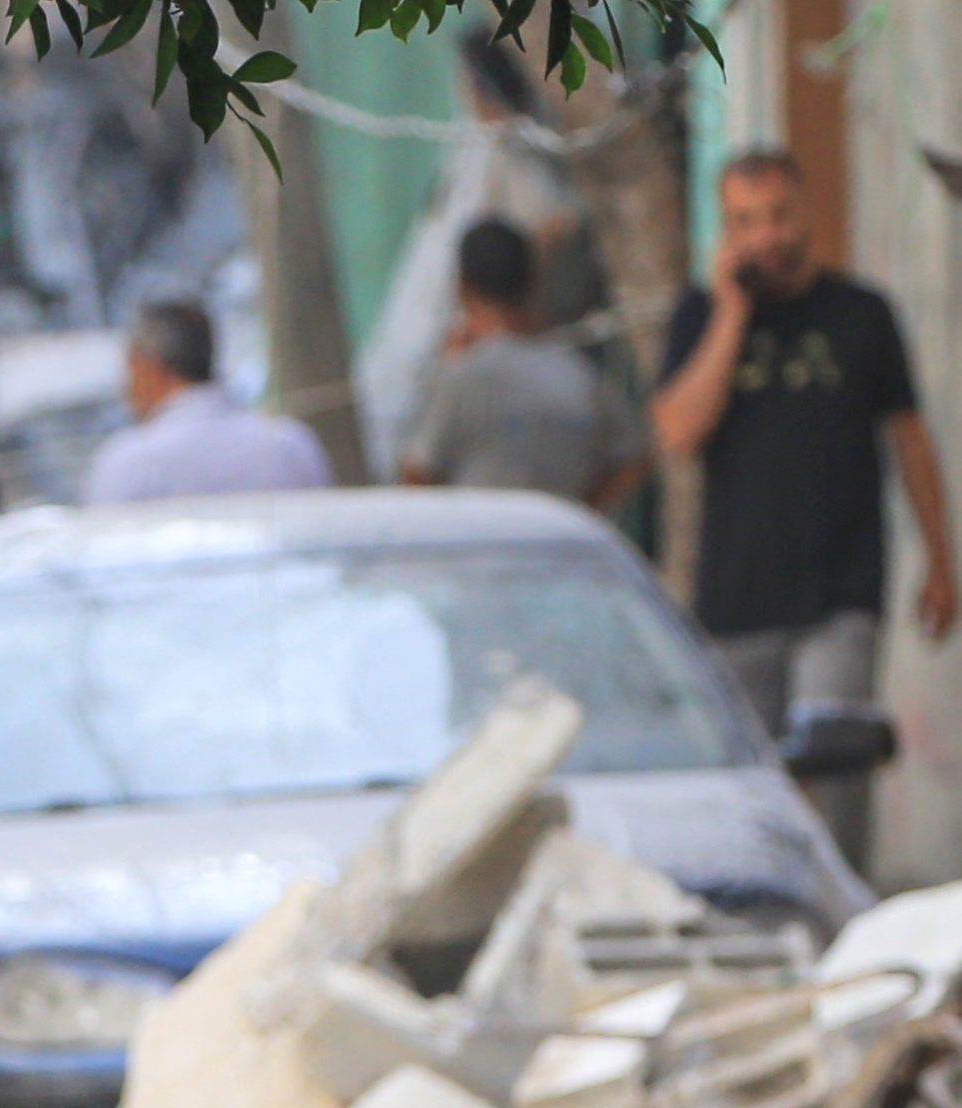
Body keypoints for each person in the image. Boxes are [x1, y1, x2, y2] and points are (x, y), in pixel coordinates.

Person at [654, 146, 959, 867]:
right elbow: (675, 431)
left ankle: (845, 923)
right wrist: (731, 314)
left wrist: (940, 559)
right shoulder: (698, 315)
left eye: (778, 216)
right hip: (735, 596)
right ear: (726, 231)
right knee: (752, 787)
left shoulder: (861, 313)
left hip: (840, 589)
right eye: (745, 221)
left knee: (835, 760)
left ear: (804, 213)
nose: (767, 235)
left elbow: (910, 443)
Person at [400, 217, 649, 508]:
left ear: (462, 285)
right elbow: (637, 456)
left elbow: (416, 474)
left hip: (479, 546)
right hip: (557, 544)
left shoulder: (461, 376)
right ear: (532, 280)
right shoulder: (580, 375)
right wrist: (584, 507)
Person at [81, 296, 333, 501]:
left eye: (130, 373)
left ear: (148, 369)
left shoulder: (130, 465)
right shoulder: (289, 445)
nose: (127, 391)